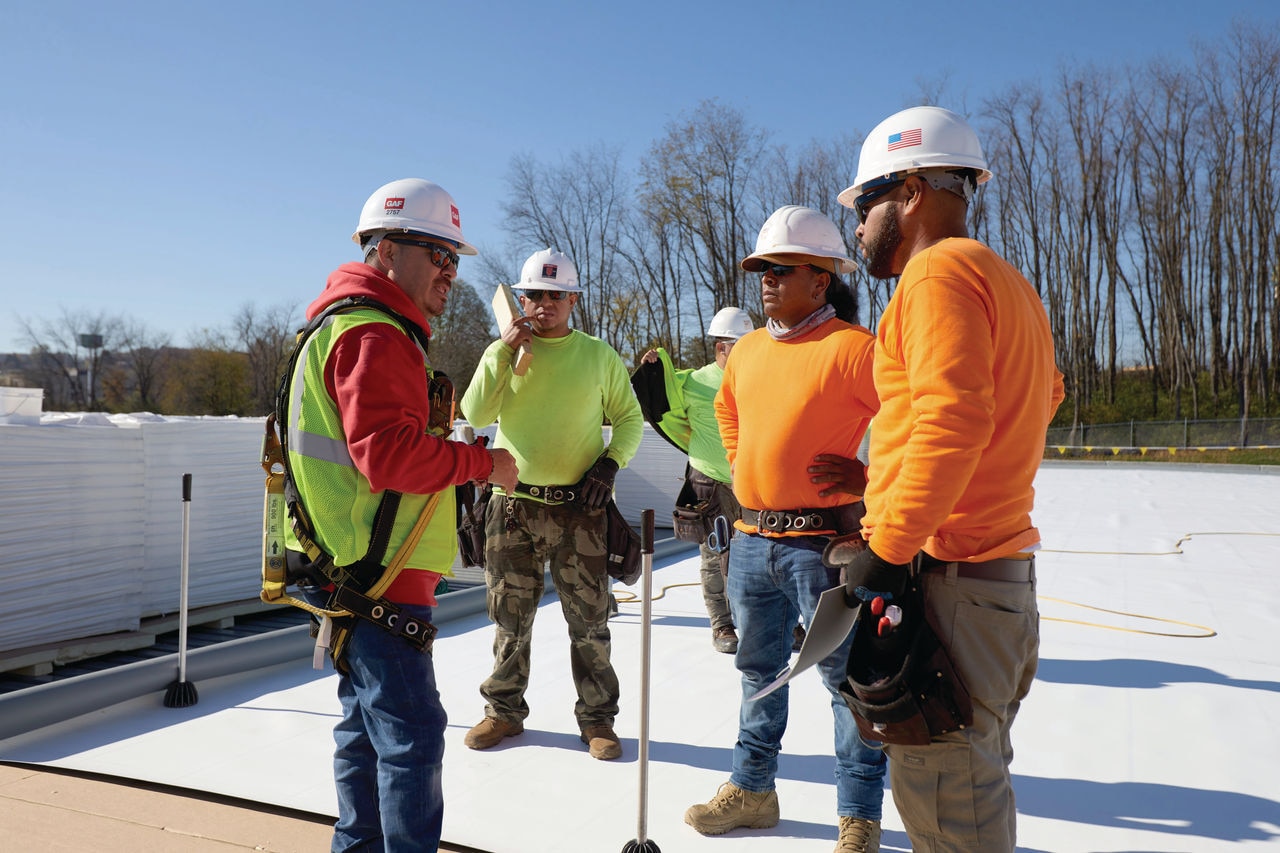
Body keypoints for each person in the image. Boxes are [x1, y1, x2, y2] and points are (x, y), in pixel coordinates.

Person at [836, 105, 1064, 852]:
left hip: (954, 582)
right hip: (997, 582)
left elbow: (953, 420)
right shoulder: (1010, 284)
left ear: (909, 191)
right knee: (973, 781)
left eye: (865, 204)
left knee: (950, 809)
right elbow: (1043, 397)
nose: (859, 227)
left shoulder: (934, 274)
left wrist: (890, 543)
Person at [285, 177, 518, 853]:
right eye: (437, 254)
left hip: (350, 575)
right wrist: (484, 465)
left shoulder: (341, 325)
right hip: (378, 584)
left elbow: (370, 451)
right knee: (411, 738)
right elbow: (387, 456)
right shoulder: (377, 333)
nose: (450, 271)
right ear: (387, 250)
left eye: (455, 258)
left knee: (363, 734)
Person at [684, 205, 887, 853]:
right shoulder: (746, 352)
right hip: (751, 539)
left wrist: (867, 478)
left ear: (820, 280)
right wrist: (745, 466)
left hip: (822, 546)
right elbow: (727, 407)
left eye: (780, 269)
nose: (765, 280)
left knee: (843, 679)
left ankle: (858, 814)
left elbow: (916, 421)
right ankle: (753, 789)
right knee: (757, 668)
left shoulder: (854, 349)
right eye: (761, 269)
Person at [460, 248, 644, 761]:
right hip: (512, 505)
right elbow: (474, 412)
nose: (544, 304)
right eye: (535, 295)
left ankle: (597, 720)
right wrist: (501, 351)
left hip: (578, 510)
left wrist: (609, 465)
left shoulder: (597, 356)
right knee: (508, 618)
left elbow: (629, 418)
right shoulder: (505, 352)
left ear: (573, 299)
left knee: (589, 620)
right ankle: (502, 711)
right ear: (521, 300)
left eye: (555, 295)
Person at [630, 306, 753, 654]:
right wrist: (652, 369)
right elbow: (661, 397)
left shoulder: (760, 380)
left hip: (755, 482)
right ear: (721, 348)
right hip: (710, 482)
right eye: (739, 345)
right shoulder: (695, 382)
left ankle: (771, 622)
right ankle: (722, 624)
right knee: (714, 553)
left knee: (764, 554)